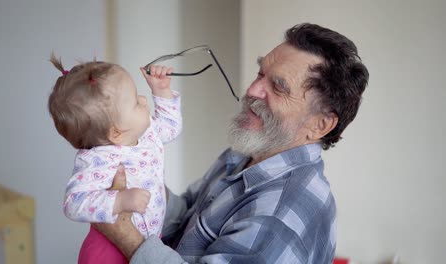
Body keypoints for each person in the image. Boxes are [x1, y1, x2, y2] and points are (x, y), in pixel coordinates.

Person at [95, 23, 369, 264]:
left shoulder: (281, 212)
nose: (252, 90)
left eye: (279, 87)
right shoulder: (247, 153)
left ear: (319, 125)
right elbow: (185, 215)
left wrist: (126, 235)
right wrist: (136, 175)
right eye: (261, 74)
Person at [48, 56, 182, 264]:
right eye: (137, 102)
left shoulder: (146, 134)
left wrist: (162, 92)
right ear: (116, 133)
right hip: (107, 252)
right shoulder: (96, 161)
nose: (145, 101)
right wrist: (118, 201)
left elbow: (171, 129)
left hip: (147, 245)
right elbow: (73, 203)